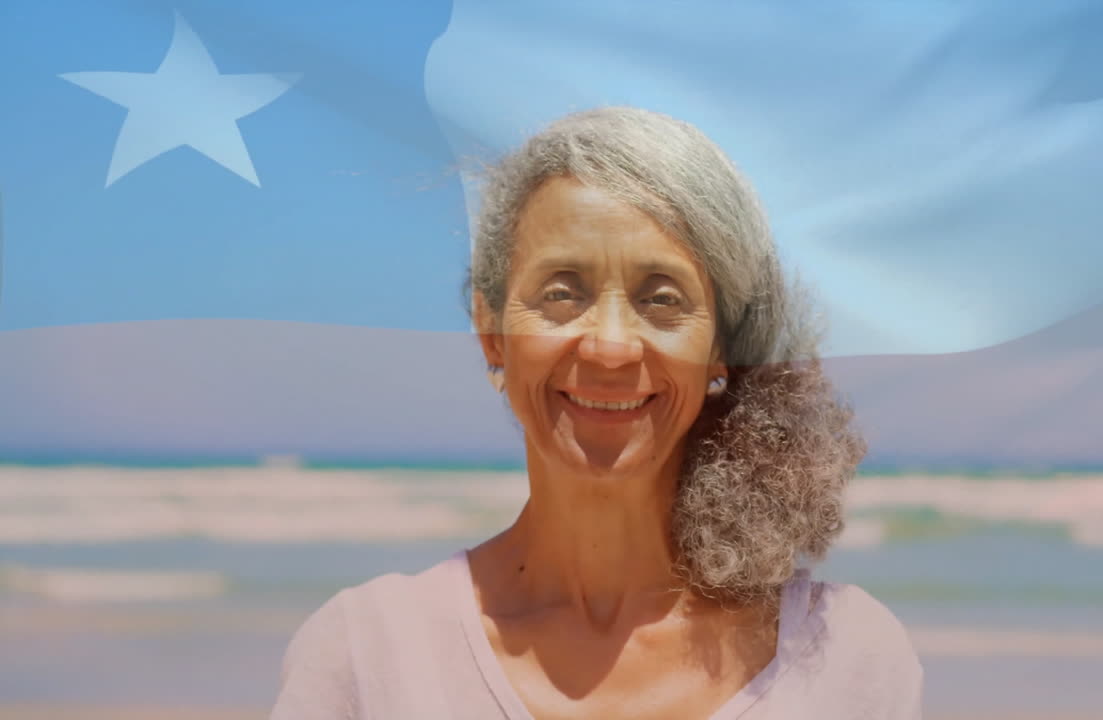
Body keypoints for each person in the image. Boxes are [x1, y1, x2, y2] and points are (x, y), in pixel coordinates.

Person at [269, 106, 922, 719]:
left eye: (661, 298)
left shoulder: (848, 662)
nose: (611, 346)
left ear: (722, 348)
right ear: (492, 332)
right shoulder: (367, 659)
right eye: (562, 292)